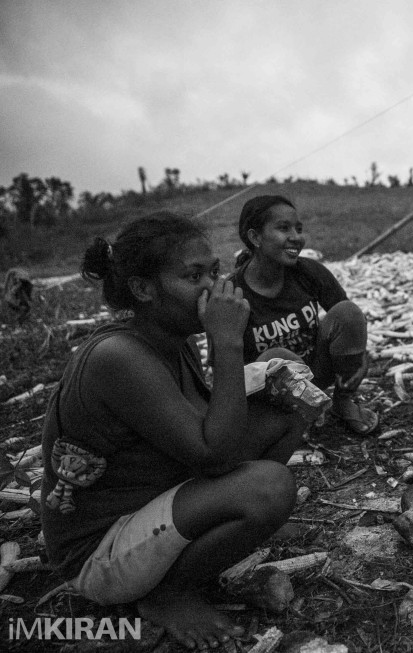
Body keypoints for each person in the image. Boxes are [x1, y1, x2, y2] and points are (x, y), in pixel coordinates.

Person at [40, 213, 310, 649]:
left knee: (288, 379)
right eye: (194, 276)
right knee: (269, 488)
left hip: (155, 500)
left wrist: (277, 384)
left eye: (215, 272)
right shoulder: (119, 356)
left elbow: (208, 423)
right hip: (101, 553)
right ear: (144, 289)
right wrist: (226, 342)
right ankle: (167, 593)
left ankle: (215, 539)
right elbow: (215, 454)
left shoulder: (172, 338)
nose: (214, 288)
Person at [231, 195, 378, 436]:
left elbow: (347, 320)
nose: (296, 237)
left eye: (298, 229)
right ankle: (290, 422)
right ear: (255, 237)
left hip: (314, 373)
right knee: (277, 357)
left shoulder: (309, 272)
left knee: (348, 311)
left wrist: (354, 358)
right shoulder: (235, 294)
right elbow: (229, 369)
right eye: (283, 228)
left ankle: (342, 403)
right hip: (267, 391)